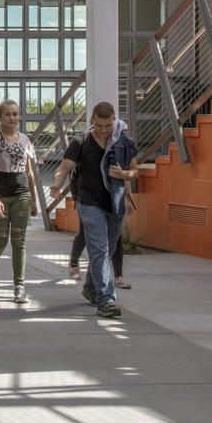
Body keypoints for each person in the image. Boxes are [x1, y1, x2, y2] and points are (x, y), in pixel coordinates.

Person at [48, 102, 140, 318]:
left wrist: (125, 175)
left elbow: (135, 170)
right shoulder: (80, 142)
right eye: (99, 125)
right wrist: (56, 184)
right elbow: (64, 167)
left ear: (115, 119)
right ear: (92, 121)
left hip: (114, 203)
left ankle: (90, 289)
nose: (104, 130)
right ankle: (106, 300)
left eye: (108, 125)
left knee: (106, 250)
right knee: (99, 250)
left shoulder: (125, 142)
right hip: (89, 203)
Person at [0, 99, 39, 302]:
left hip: (22, 193)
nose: (12, 117)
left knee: (19, 240)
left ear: (19, 116)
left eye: (15, 114)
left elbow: (29, 172)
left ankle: (19, 286)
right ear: (0, 117)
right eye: (7, 114)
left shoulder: (25, 140)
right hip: (2, 194)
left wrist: (33, 200)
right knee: (1, 239)